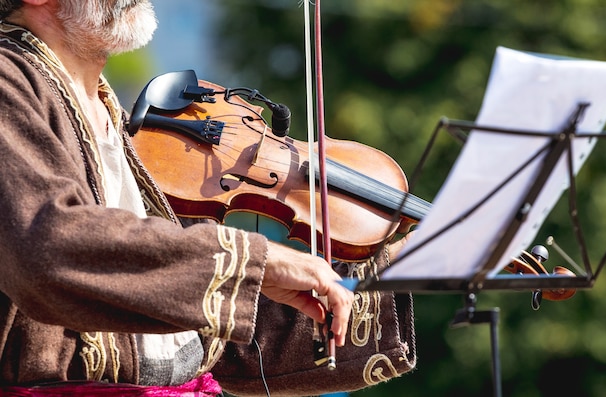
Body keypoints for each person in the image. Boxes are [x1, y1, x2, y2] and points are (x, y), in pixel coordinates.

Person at [0, 0, 416, 395]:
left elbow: (217, 342)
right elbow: (47, 247)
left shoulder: (116, 119)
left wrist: (402, 261)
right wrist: (259, 261)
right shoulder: (9, 83)